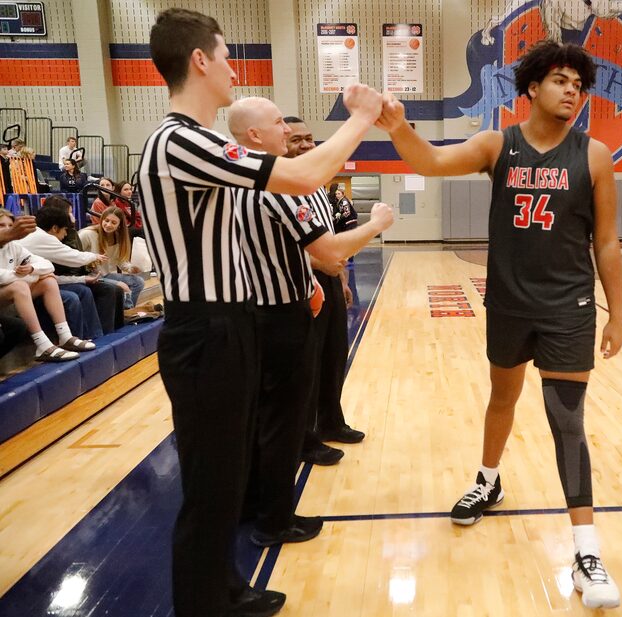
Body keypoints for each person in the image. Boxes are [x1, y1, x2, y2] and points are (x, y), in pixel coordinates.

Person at [138, 8, 383, 617]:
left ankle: (222, 589)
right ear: (200, 61)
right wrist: (362, 118)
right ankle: (204, 604)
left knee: (223, 482)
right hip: (206, 330)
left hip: (231, 324)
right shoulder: (179, 141)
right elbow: (301, 175)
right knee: (209, 489)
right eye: (224, 56)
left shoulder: (205, 142)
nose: (231, 67)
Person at [377, 40, 622, 610]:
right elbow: (432, 163)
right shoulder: (498, 145)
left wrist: (619, 312)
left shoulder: (594, 156)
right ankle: (488, 479)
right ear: (532, 88)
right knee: (502, 398)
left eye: (579, 85)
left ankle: (586, 550)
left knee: (567, 420)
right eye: (561, 80)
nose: (572, 92)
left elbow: (606, 241)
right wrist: (396, 126)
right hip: (509, 304)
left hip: (568, 308)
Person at [227, 100, 391, 549]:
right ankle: (275, 519)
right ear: (255, 136)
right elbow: (332, 253)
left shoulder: (235, 180)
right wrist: (377, 224)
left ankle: (253, 504)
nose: (289, 130)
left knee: (263, 416)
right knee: (284, 421)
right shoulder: (279, 186)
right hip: (281, 316)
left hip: (255, 309)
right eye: (280, 123)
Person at [281, 117, 366, 469]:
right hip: (301, 283)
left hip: (329, 279)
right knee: (306, 367)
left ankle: (331, 421)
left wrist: (342, 280)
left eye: (309, 139)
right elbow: (281, 245)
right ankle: (305, 438)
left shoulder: (316, 183)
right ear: (282, 143)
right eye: (296, 140)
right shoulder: (280, 185)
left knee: (334, 355)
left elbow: (327, 235)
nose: (305, 145)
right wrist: (320, 267)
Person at [0, 208, 95, 361]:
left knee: (49, 280)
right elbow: (3, 277)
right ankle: (42, 345)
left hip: (14, 294)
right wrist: (27, 276)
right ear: (55, 228)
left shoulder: (14, 246)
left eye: (9, 226)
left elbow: (48, 266)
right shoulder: (43, 237)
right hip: (10, 294)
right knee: (21, 285)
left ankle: (65, 336)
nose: (7, 229)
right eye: (1, 225)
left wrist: (32, 269)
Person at [22, 196, 124, 334]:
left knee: (112, 288)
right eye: (70, 213)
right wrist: (94, 258)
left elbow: (58, 271)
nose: (73, 216)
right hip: (34, 286)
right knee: (78, 294)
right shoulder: (47, 237)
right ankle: (88, 337)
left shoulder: (67, 233)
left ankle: (105, 335)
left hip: (62, 279)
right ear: (56, 224)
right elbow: (73, 259)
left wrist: (85, 276)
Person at [78, 206, 144, 309]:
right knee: (123, 287)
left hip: (106, 275)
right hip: (91, 276)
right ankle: (126, 313)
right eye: (106, 220)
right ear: (102, 220)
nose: (108, 225)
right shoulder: (87, 234)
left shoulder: (118, 237)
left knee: (139, 282)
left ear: (119, 225)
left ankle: (125, 313)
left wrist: (131, 268)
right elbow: (74, 254)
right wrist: (90, 260)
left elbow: (120, 261)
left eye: (113, 223)